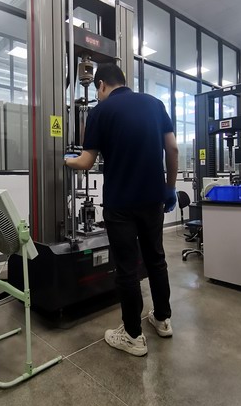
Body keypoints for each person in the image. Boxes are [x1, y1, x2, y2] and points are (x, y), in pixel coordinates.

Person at [65, 63, 179, 357]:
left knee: (127, 268)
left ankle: (133, 335)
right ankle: (162, 319)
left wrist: (66, 160)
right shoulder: (155, 104)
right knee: (156, 259)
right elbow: (172, 149)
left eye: (97, 90)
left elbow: (86, 161)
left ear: (101, 85)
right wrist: (169, 188)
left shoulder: (100, 112)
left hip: (120, 204)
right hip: (153, 199)